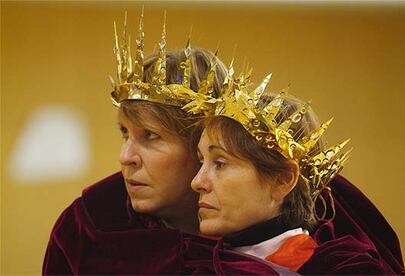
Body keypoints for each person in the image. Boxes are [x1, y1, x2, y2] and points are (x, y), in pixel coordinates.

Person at [42, 12, 297, 275]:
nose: (125, 157)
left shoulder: (311, 226)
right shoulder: (88, 229)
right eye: (125, 133)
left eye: (150, 135)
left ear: (203, 144)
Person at [189, 68, 405, 274]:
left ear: (283, 180)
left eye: (220, 163)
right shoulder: (188, 261)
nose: (197, 182)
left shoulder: (340, 269)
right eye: (201, 162)